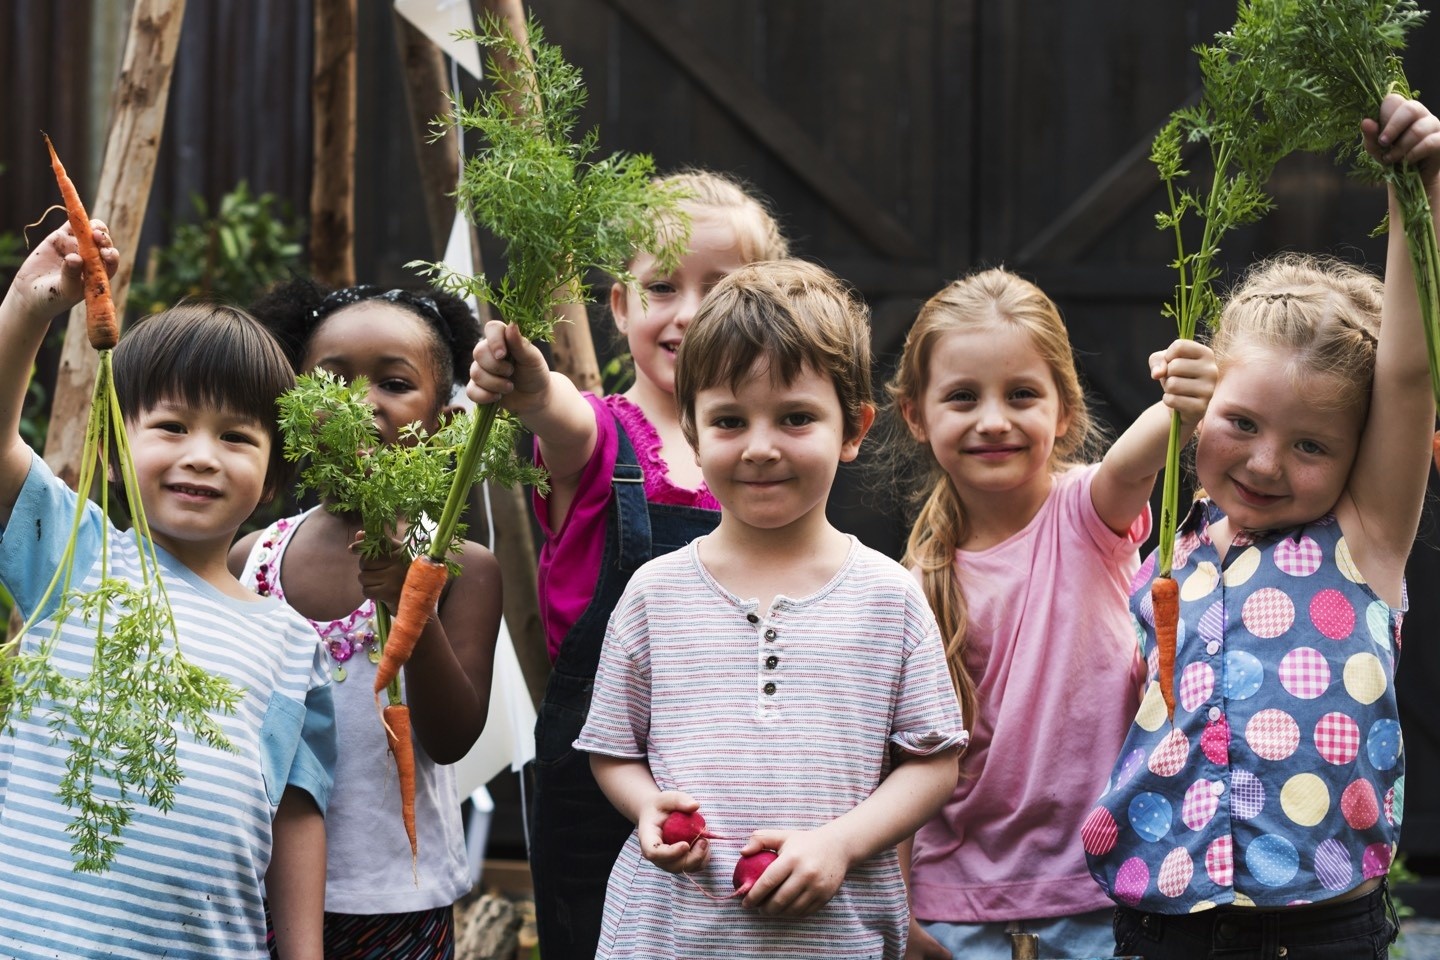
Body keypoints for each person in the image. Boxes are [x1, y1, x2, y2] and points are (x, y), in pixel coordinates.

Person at [1085, 94, 1440, 959]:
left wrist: (1417, 198)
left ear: (1358, 456)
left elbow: (1408, 371)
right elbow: (1106, 485)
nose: (1267, 463)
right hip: (1160, 918)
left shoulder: (1364, 541)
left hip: (1316, 926)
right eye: (1241, 423)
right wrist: (1180, 410)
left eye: (1311, 444)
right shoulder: (1167, 530)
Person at [572, 258, 967, 959]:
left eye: (795, 418)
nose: (760, 447)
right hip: (668, 936)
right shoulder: (654, 594)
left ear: (853, 429)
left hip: (832, 937)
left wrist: (840, 845)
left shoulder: (889, 596)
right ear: (693, 435)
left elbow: (933, 764)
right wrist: (645, 808)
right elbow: (613, 750)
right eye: (729, 420)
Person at [466, 169, 789, 960]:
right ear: (619, 306)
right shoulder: (602, 434)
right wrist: (533, 384)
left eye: (720, 287)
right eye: (663, 287)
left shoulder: (772, 454)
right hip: (600, 760)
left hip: (744, 746)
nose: (688, 312)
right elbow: (559, 417)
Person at [0, 221, 335, 959]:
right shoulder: (75, 557)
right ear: (115, 450)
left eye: (237, 437)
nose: (202, 457)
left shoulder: (290, 643)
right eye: (172, 426)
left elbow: (297, 813)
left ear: (275, 474)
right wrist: (28, 308)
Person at [880, 265, 1216, 959]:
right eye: (963, 397)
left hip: (1102, 893)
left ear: (1064, 410)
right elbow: (902, 760)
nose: (994, 420)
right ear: (915, 414)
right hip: (958, 911)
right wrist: (900, 913)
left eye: (1022, 394)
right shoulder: (911, 583)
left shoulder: (1087, 514)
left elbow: (1133, 461)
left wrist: (1183, 396)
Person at [231, 279, 502, 959]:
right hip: (249, 887)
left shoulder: (463, 567)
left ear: (440, 419)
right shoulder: (249, 557)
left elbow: (451, 738)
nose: (362, 404)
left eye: (393, 382)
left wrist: (405, 605)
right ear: (293, 404)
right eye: (334, 380)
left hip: (395, 897)